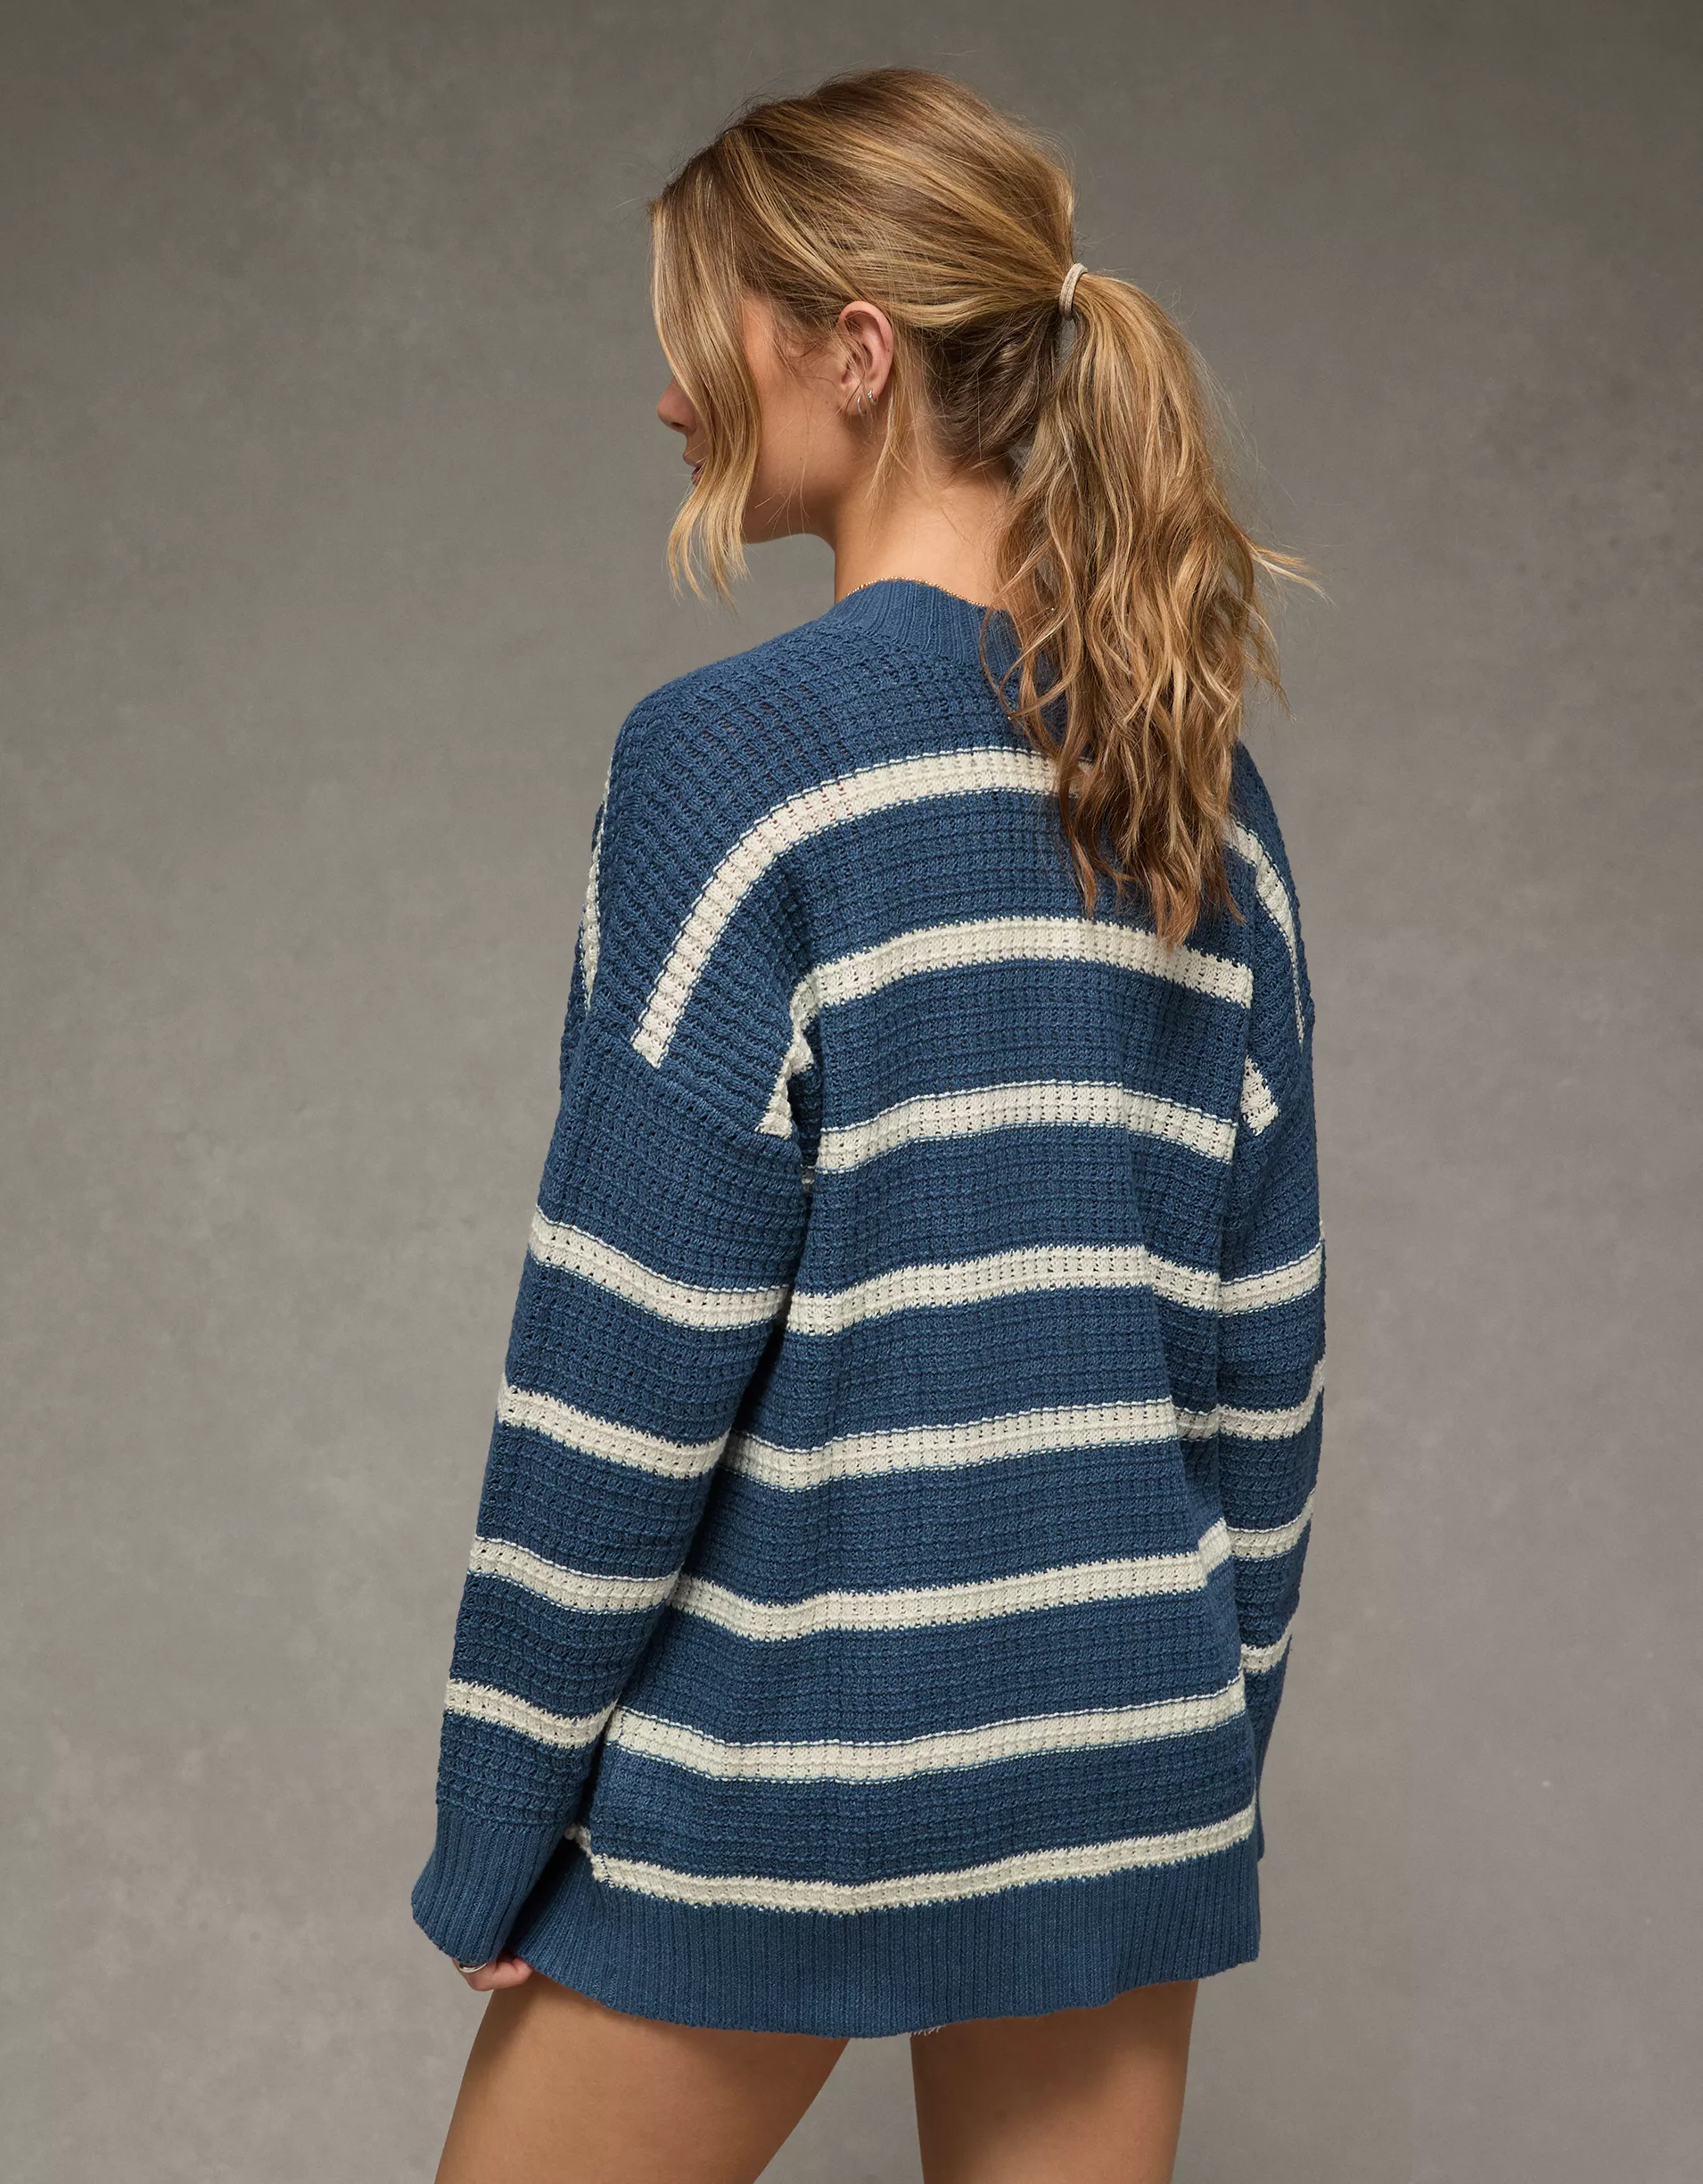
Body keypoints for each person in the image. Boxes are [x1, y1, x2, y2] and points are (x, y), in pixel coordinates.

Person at [410, 64, 1324, 2184]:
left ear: (854, 349)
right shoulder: (1202, 795)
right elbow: (1259, 1363)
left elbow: (625, 1355)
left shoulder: (737, 763)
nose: (668, 397)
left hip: (789, 1772)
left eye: (701, 334)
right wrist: (1189, 1738)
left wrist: (499, 1814)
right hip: (1122, 1760)